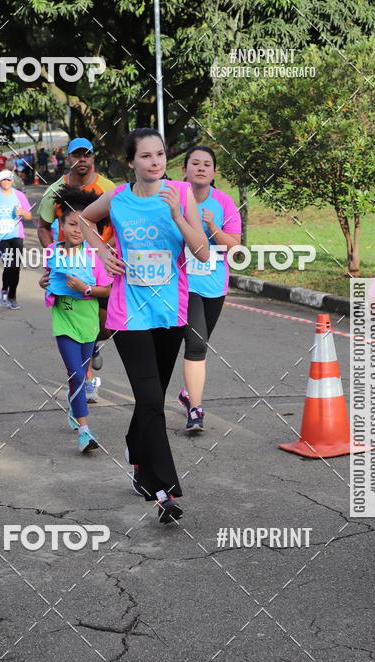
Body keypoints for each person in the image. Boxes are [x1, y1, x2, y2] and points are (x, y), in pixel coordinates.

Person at [80, 128, 209, 523]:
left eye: (160, 154)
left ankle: (136, 451)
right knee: (151, 399)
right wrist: (103, 253)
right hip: (129, 314)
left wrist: (177, 216)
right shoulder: (118, 198)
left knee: (151, 400)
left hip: (170, 313)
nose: (155, 162)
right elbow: (83, 219)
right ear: (131, 162)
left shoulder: (180, 194)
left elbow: (202, 252)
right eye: (147, 156)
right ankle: (163, 490)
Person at [38, 138, 115, 401]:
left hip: (102, 265)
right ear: (68, 158)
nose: (82, 159)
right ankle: (87, 382)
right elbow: (43, 226)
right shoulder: (55, 190)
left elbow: (120, 225)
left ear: (93, 157)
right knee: (74, 323)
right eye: (76, 155)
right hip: (69, 268)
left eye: (87, 154)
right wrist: (54, 257)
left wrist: (105, 251)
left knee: (105, 326)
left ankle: (92, 346)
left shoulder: (108, 188)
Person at [39, 186, 112, 453]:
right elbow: (49, 282)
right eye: (72, 224)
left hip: (88, 323)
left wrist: (86, 289)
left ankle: (74, 406)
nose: (77, 230)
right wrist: (43, 282)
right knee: (77, 375)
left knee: (78, 377)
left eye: (83, 225)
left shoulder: (95, 255)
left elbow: (108, 290)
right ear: (61, 225)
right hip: (64, 322)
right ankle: (84, 431)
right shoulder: (52, 252)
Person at [177, 146, 241, 431]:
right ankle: (196, 409)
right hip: (182, 283)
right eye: (195, 163)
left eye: (207, 164)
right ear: (184, 170)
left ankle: (187, 392)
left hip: (214, 285)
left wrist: (213, 227)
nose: (201, 168)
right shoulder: (173, 199)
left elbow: (235, 248)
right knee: (196, 344)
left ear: (214, 172)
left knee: (200, 343)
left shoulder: (224, 202)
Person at [0, 169, 32, 309]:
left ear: (12, 180)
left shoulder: (19, 195)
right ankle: (4, 291)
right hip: (0, 237)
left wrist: (22, 212)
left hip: (16, 235)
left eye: (8, 180)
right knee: (9, 264)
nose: (6, 182)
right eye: (3, 180)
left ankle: (12, 296)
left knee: (16, 267)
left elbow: (29, 215)